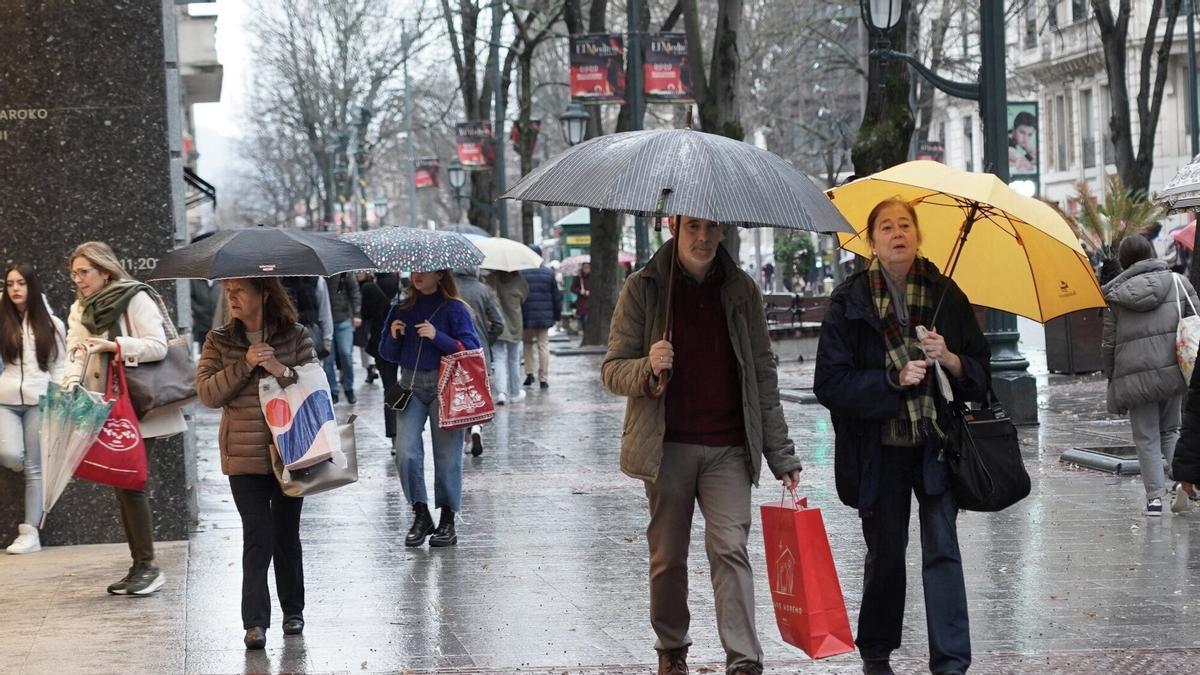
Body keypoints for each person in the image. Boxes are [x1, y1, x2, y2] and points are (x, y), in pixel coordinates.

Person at [601, 215, 802, 675]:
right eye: (693, 226)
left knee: (730, 547)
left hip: (730, 448)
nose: (704, 237)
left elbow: (762, 376)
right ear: (674, 225)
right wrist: (648, 367)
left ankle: (744, 659)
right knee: (667, 556)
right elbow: (612, 370)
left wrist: (781, 453)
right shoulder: (644, 287)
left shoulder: (742, 290)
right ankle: (672, 647)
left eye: (713, 228)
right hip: (666, 445)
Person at [813, 199, 990, 675]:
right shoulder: (850, 302)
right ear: (872, 241)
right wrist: (890, 381)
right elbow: (829, 383)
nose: (897, 233)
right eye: (886, 227)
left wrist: (950, 359)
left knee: (943, 551)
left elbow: (980, 373)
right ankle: (876, 651)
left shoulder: (945, 294)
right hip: (879, 450)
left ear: (918, 234)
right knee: (887, 554)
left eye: (905, 225)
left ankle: (951, 661)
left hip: (937, 445)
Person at [196, 277, 316, 651]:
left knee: (286, 535)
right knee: (257, 536)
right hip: (243, 456)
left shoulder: (295, 335)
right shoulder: (219, 340)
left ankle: (293, 611)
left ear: (264, 294)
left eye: (240, 290)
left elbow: (314, 383)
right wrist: (245, 364)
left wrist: (279, 368)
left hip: (291, 452)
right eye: (228, 290)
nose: (230, 296)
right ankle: (255, 622)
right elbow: (207, 394)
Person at [63, 241, 188, 595]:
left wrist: (114, 346)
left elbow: (158, 345)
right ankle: (140, 566)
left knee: (132, 484)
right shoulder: (80, 308)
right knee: (123, 485)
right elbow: (75, 350)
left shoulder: (134, 298)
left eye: (84, 272)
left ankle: (148, 566)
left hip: (138, 402)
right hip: (105, 404)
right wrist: (70, 383)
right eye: (74, 273)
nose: (79, 279)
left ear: (105, 270)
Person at [378, 269, 481, 548]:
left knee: (447, 457)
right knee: (406, 452)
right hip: (409, 385)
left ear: (439, 275)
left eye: (425, 272)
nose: (418, 276)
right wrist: (393, 335)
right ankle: (420, 513)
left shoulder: (454, 309)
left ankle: (447, 519)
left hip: (444, 386)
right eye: (415, 271)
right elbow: (386, 354)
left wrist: (438, 336)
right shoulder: (401, 308)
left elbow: (470, 347)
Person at [1102, 235, 1198, 516]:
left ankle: (1154, 499)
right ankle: (1183, 486)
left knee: (1146, 438)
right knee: (1171, 431)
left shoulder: (1115, 295)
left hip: (1133, 377)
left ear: (1124, 261)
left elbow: (1109, 342)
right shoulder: (1179, 282)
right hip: (1173, 371)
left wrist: (1111, 375)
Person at [0, 263, 65, 554]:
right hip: (6, 399)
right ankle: (20, 463)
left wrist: (59, 395)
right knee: (10, 453)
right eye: (10, 283)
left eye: (20, 283)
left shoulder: (52, 324)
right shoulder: (1, 320)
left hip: (39, 400)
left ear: (31, 286)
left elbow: (59, 365)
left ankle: (30, 532)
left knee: (35, 470)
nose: (14, 288)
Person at [453, 267, 504, 456]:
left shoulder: (449, 289)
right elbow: (498, 323)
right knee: (478, 394)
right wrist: (487, 341)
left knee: (459, 394)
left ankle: (465, 436)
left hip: (454, 350)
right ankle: (476, 427)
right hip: (479, 351)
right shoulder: (485, 290)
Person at [360, 272, 401, 438]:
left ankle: (394, 433)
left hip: (381, 344)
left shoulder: (370, 288)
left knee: (389, 388)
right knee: (410, 385)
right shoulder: (403, 284)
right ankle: (409, 427)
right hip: (406, 342)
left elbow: (365, 315)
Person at [520, 246, 561, 390]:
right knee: (543, 345)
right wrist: (557, 315)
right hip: (544, 316)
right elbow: (556, 297)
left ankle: (529, 373)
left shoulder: (521, 274)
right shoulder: (548, 273)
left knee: (527, 344)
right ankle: (543, 378)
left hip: (526, 316)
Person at [486, 270, 528, 405]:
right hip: (515, 322)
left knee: (498, 359)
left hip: (497, 323)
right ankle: (515, 392)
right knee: (514, 359)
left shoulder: (491, 278)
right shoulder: (519, 279)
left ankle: (501, 393)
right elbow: (524, 297)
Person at [323, 272, 361, 405]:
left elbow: (355, 292)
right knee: (327, 360)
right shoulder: (317, 275)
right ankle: (333, 391)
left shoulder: (344, 273)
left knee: (346, 354)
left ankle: (349, 388)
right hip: (325, 323)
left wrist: (356, 313)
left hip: (343, 319)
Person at [354, 271, 378, 385]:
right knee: (363, 344)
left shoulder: (371, 285)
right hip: (360, 318)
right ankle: (369, 368)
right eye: (356, 272)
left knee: (368, 341)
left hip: (370, 318)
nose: (358, 274)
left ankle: (371, 366)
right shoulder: (354, 285)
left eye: (360, 272)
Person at [571, 262, 591, 334]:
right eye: (585, 267)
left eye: (588, 267)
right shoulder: (579, 277)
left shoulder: (592, 277)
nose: (586, 269)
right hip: (582, 302)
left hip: (590, 302)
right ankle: (585, 332)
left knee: (587, 318)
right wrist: (580, 291)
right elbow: (572, 288)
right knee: (584, 318)